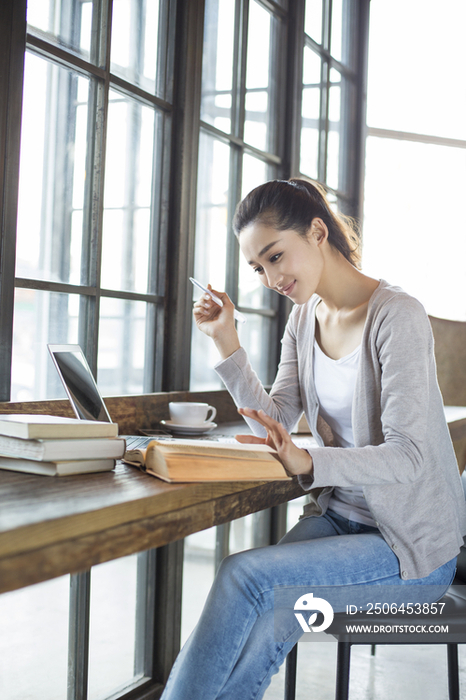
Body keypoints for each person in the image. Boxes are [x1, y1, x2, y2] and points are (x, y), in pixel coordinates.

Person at [161, 178, 466, 700]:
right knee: (266, 618)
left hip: (410, 549)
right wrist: (226, 340)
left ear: (318, 231)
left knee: (246, 579)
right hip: (339, 521)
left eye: (276, 256)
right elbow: (276, 418)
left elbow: (411, 455)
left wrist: (310, 462)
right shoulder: (303, 319)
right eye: (259, 268)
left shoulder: (397, 315)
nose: (271, 277)